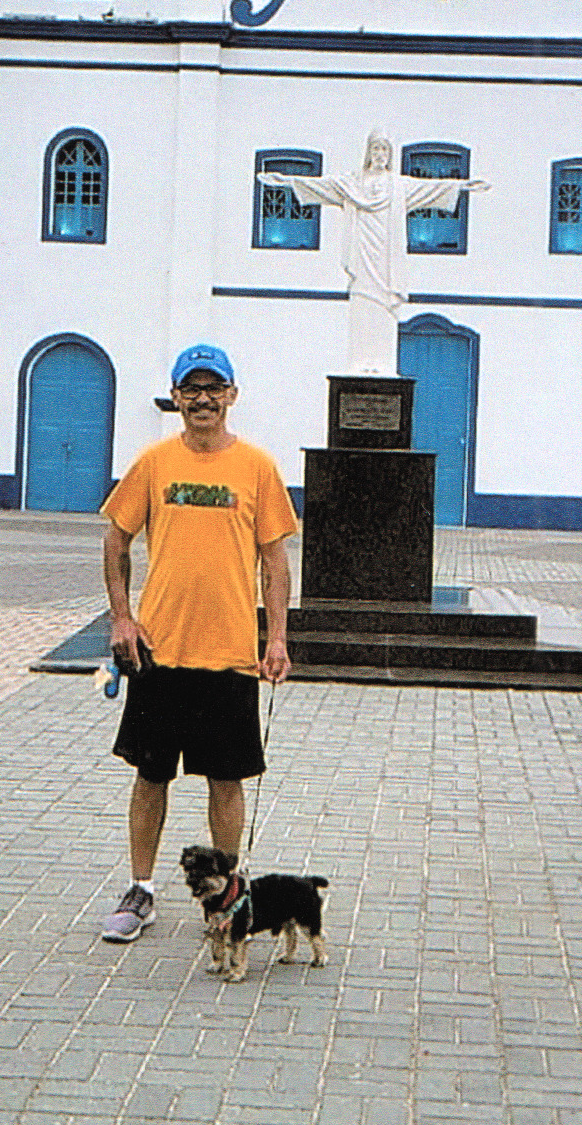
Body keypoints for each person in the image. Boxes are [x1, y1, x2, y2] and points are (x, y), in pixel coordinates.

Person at [98, 343, 299, 944]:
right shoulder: (155, 463)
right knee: (150, 776)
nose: (203, 399)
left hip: (232, 651)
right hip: (158, 651)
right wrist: (121, 619)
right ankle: (142, 890)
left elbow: (275, 561)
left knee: (226, 779)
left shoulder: (258, 469)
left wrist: (278, 638)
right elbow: (115, 540)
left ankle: (228, 895)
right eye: (192, 389)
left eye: (214, 389)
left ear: (232, 396)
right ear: (176, 397)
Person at [259, 131, 489, 375]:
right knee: (363, 300)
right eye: (376, 149)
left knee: (383, 302)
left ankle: (382, 364)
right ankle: (362, 364)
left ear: (390, 155)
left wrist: (463, 186)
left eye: (385, 150)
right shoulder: (352, 184)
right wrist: (286, 181)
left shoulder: (398, 186)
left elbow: (430, 189)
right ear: (368, 153)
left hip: (386, 256)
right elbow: (321, 185)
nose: (380, 155)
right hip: (362, 252)